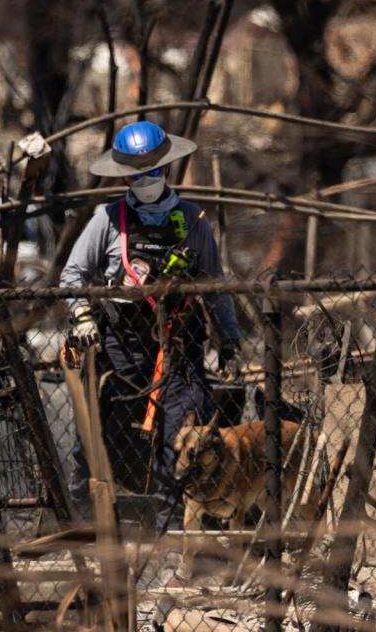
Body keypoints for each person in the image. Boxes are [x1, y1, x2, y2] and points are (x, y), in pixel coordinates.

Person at [60, 121, 242, 530]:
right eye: (136, 174)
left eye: (152, 171)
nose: (145, 181)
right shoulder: (106, 220)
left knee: (181, 437)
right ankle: (85, 521)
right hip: (120, 344)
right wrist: (83, 314)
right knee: (95, 434)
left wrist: (230, 339)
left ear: (167, 169)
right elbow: (72, 276)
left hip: (179, 344)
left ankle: (174, 532)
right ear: (124, 175)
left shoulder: (193, 221)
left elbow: (215, 285)